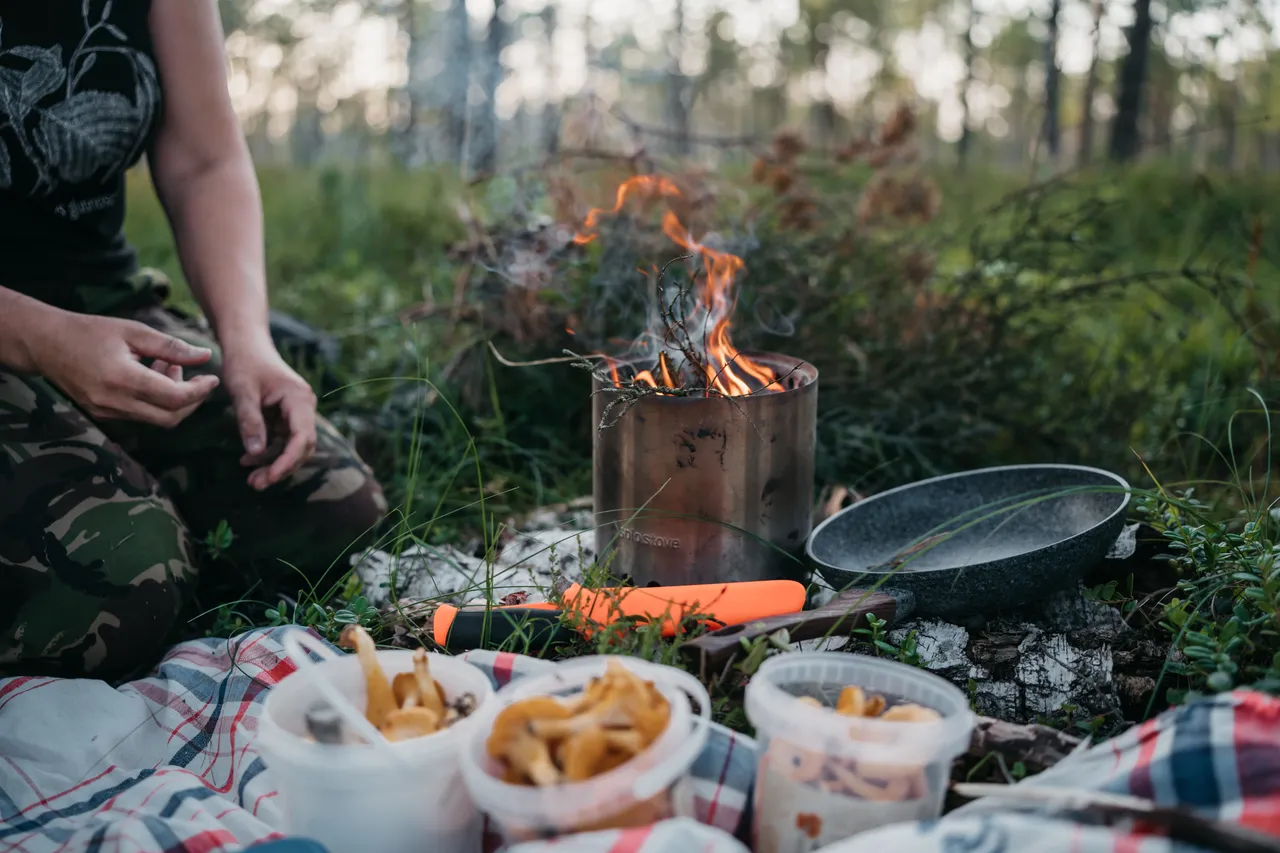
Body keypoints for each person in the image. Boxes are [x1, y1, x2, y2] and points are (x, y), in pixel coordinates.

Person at [0, 1, 387, 679]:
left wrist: (248, 343)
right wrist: (42, 337)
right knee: (120, 584)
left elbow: (205, 162)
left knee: (332, 507)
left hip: (102, 302)